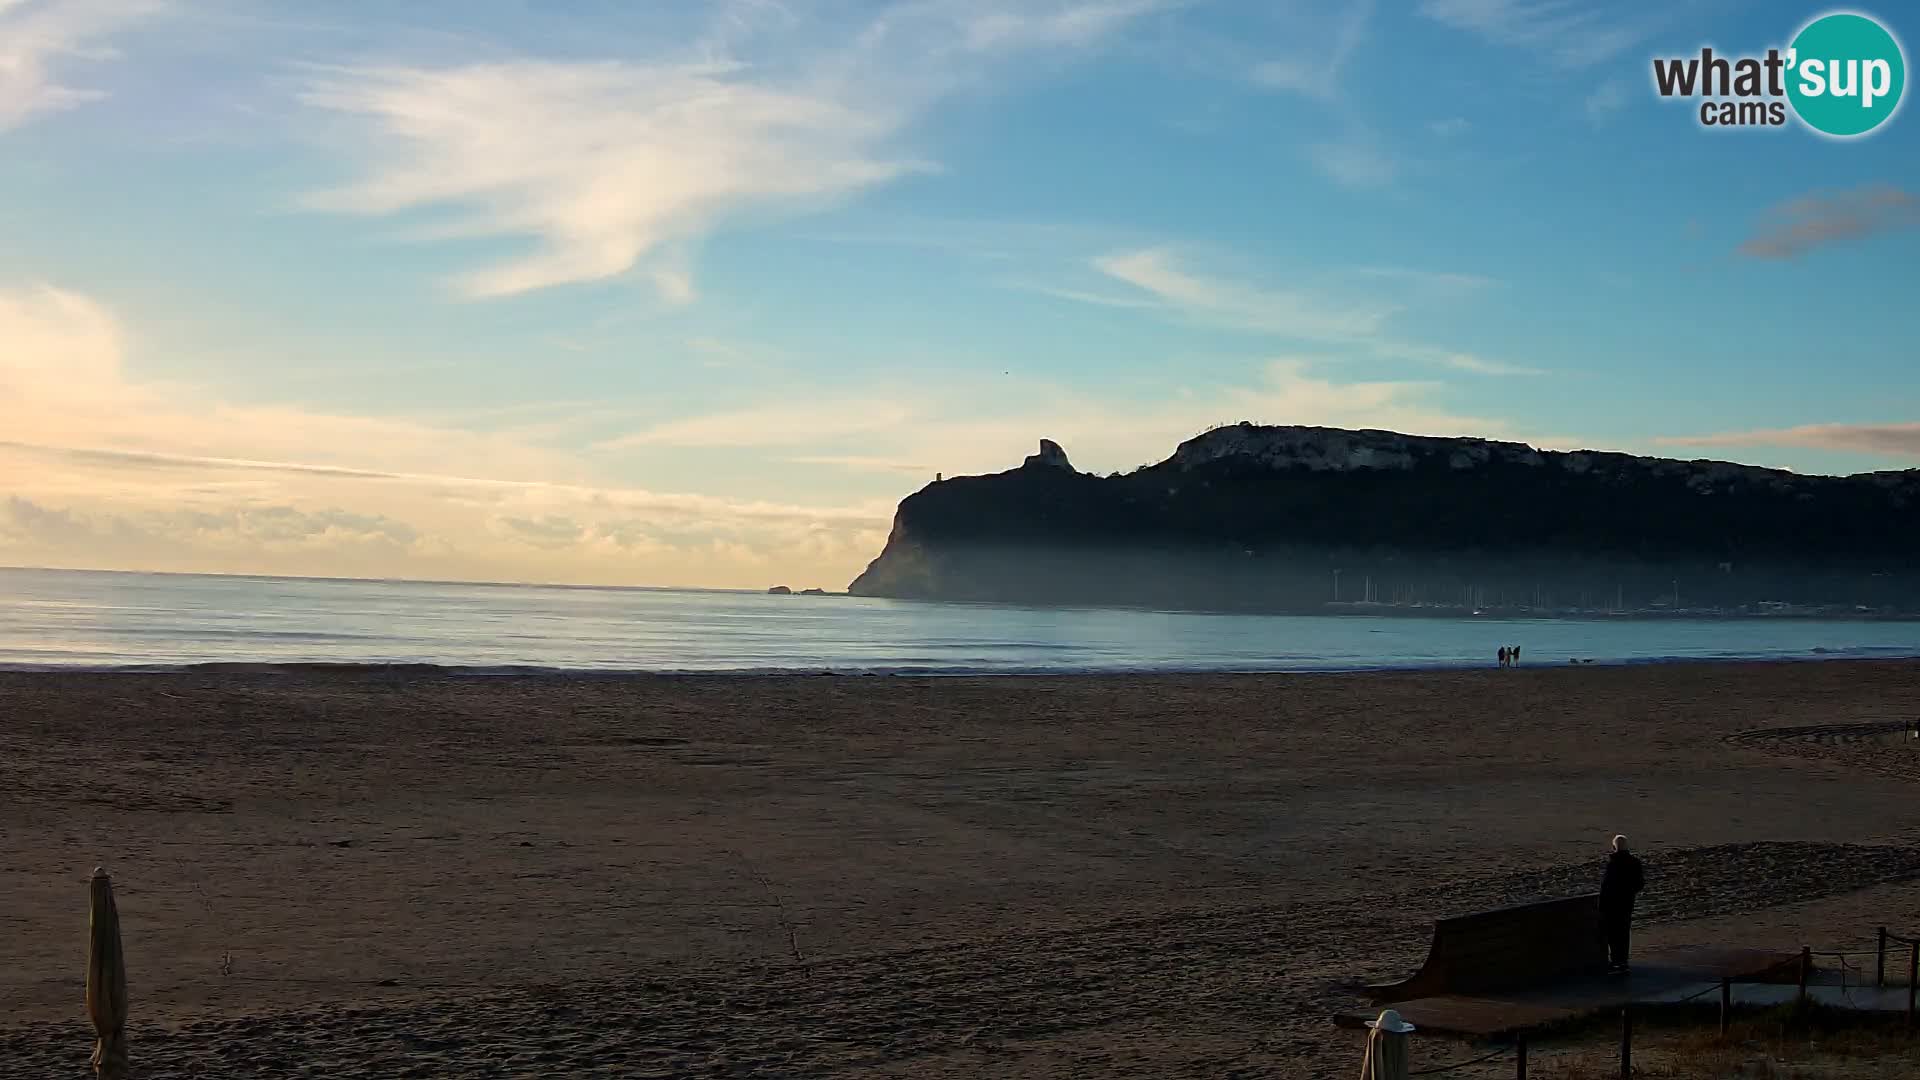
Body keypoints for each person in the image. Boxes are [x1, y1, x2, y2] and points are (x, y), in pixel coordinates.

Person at [1598, 834, 1644, 974]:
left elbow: (1605, 886)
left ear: (1614, 847)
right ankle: (1623, 961)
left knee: (1613, 934)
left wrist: (1602, 904)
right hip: (1627, 903)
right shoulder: (1635, 862)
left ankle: (1616, 962)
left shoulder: (1613, 864)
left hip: (1612, 904)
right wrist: (1629, 893)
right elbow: (1640, 884)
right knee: (1624, 933)